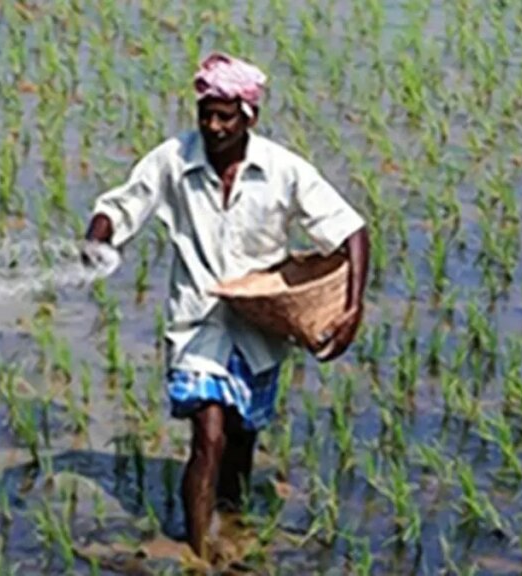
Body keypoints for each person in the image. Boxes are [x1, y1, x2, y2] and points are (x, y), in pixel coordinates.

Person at [82, 52, 370, 559]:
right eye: (206, 114)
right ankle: (196, 551)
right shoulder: (174, 158)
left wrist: (353, 308)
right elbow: (121, 205)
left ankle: (231, 525)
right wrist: (97, 238)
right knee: (208, 438)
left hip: (259, 329)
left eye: (225, 116)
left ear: (248, 117)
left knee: (240, 440)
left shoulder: (282, 170)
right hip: (196, 324)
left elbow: (351, 230)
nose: (213, 126)